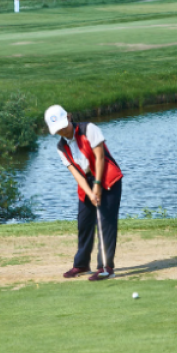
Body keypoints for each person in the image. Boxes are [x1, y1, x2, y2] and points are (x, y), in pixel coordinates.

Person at [45, 105, 123, 281]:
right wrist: (89, 192)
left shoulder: (89, 129)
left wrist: (97, 185)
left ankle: (106, 267)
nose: (62, 131)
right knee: (84, 222)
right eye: (57, 130)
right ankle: (81, 264)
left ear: (70, 117)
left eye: (63, 126)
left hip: (107, 177)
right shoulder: (61, 146)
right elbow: (76, 173)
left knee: (105, 222)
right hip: (86, 181)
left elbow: (100, 157)